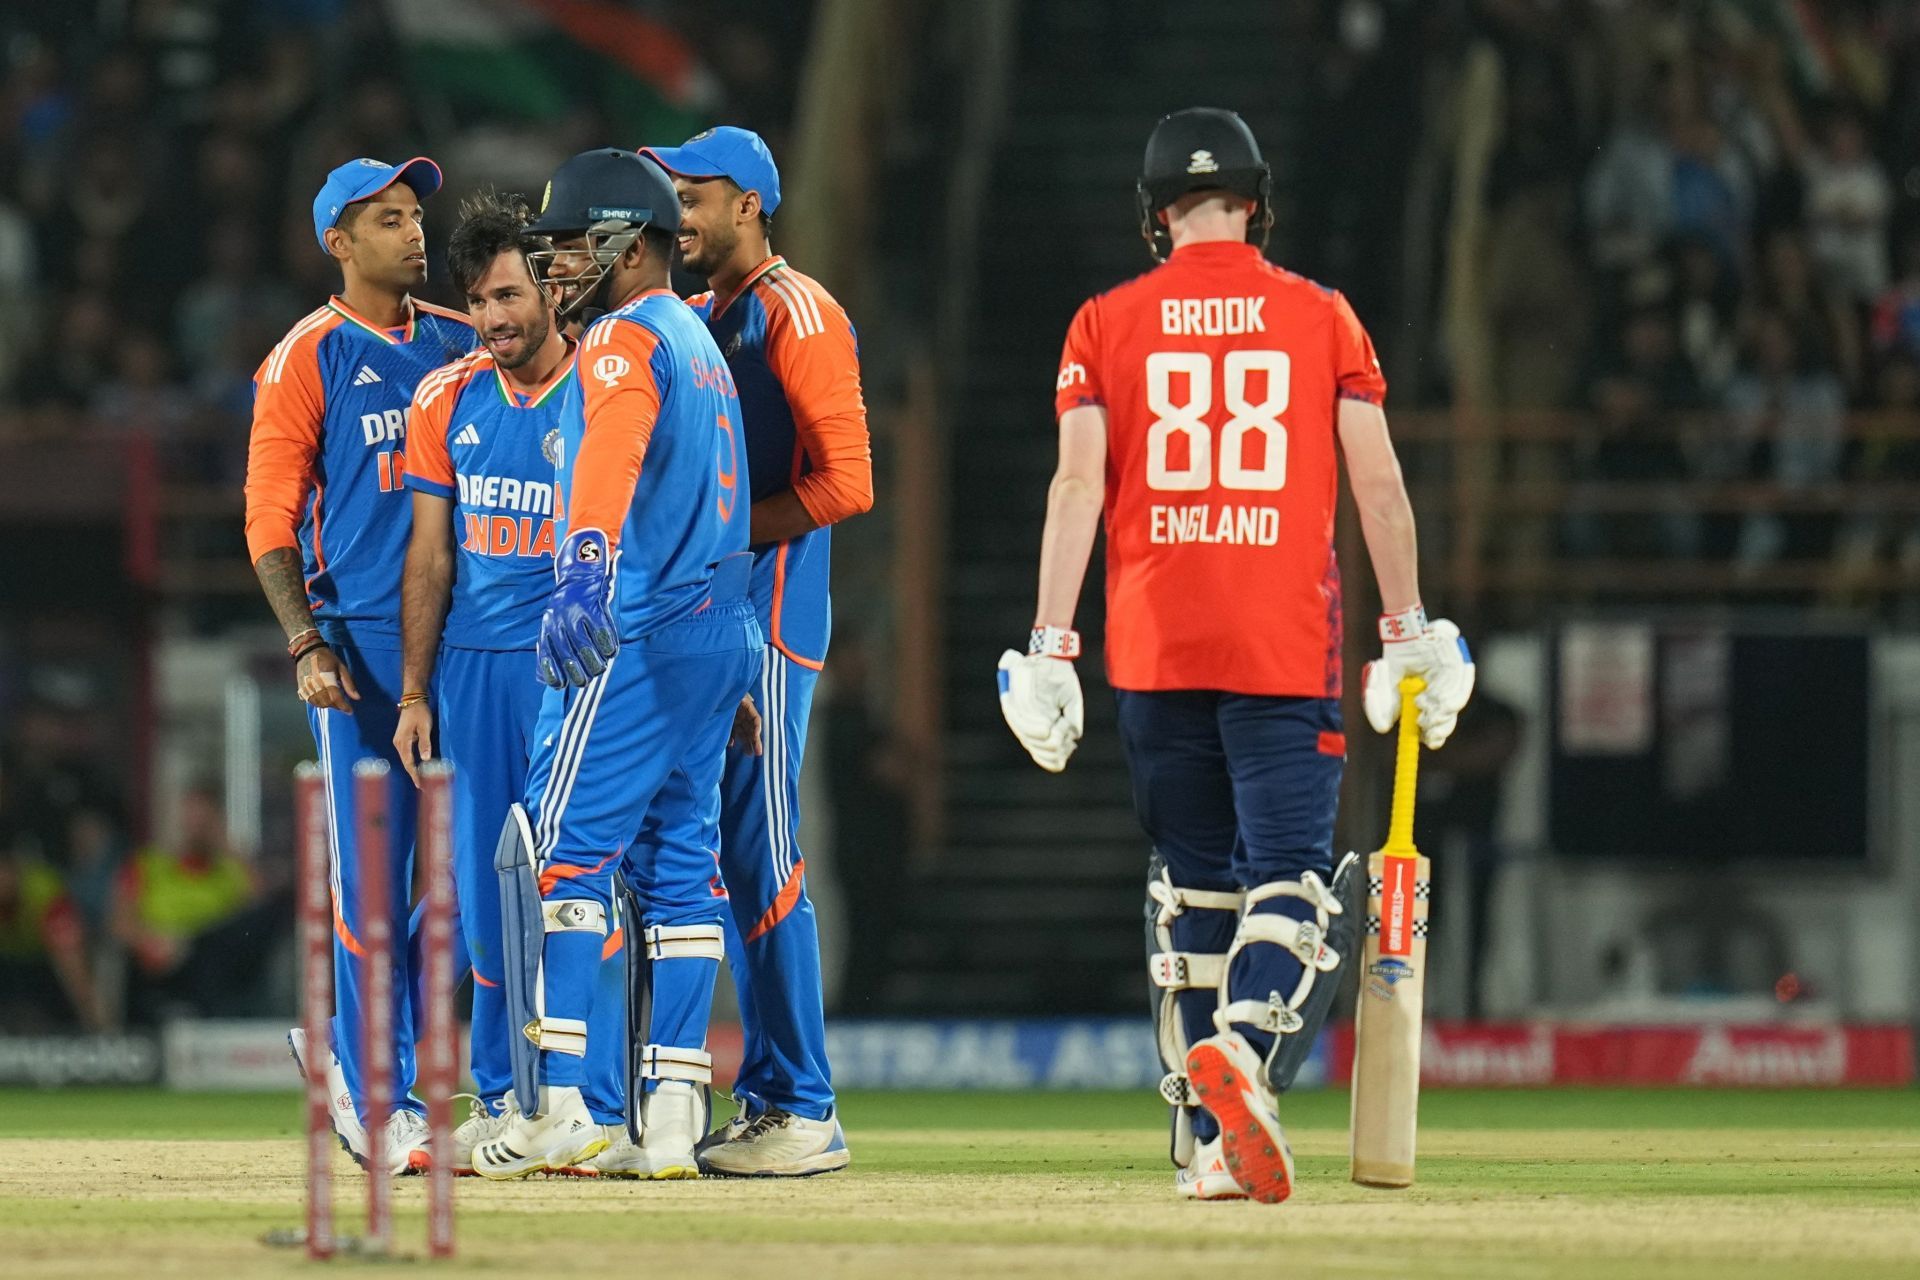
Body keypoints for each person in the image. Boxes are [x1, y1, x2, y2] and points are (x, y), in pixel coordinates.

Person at [996, 108, 1474, 1204]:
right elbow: (1381, 485)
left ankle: (1207, 1131)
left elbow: (1077, 486)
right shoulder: (1322, 316)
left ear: (1155, 215)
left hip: (1155, 647)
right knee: (1293, 874)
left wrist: (1050, 640)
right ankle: (1248, 1067)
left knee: (1196, 890)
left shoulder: (1102, 322)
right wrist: (1408, 628)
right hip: (1278, 641)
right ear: (1258, 201)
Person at [471, 148, 761, 1181]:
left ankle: (561, 1105)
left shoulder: (622, 339)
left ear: (628, 243)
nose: (555, 269)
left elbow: (610, 456)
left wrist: (584, 568)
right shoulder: (701, 340)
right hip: (714, 626)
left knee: (561, 854)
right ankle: (674, 1107)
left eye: (567, 246)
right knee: (684, 865)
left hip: (631, 626)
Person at [640, 125, 871, 1176]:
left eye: (696, 195)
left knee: (764, 849)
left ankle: (802, 1102)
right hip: (716, 615)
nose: (678, 213)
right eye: (673, 195)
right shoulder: (704, 318)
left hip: (773, 617)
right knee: (730, 853)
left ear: (752, 205)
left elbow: (848, 482)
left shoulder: (799, 311)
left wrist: (726, 533)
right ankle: (773, 1091)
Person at [242, 155, 473, 1173]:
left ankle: (368, 1057)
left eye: (416, 214)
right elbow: (268, 516)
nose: (414, 233)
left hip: (468, 643)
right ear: (338, 240)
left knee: (462, 875)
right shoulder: (308, 355)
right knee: (369, 877)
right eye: (387, 218)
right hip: (361, 650)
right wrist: (304, 640)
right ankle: (373, 1089)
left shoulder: (467, 344)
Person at [391, 190, 627, 1175]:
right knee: (489, 890)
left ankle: (598, 1100)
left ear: (551, 287)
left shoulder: (608, 389)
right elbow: (431, 559)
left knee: (576, 879)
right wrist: (412, 691)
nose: (491, 319)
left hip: (576, 662)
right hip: (476, 671)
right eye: (477, 301)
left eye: (505, 295)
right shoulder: (445, 398)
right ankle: (503, 1095)